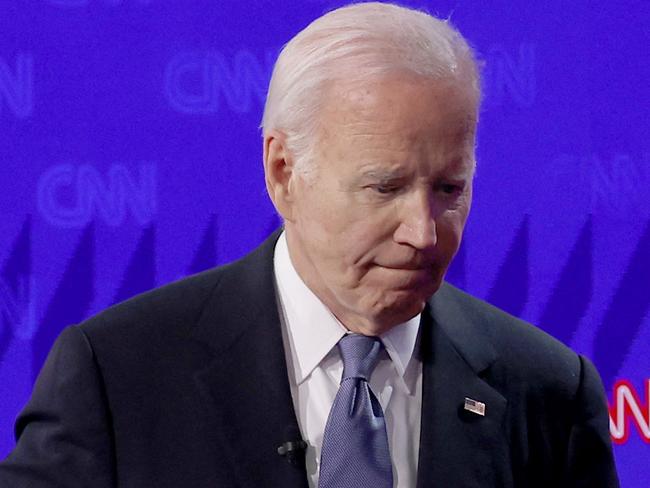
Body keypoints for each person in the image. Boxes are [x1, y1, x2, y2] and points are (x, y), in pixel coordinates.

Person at [0, 2, 618, 487]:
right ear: (282, 172)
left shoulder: (550, 392)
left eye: (450, 188)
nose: (424, 232)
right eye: (386, 187)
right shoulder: (117, 378)